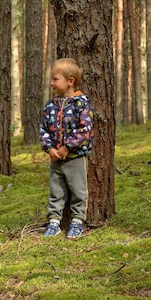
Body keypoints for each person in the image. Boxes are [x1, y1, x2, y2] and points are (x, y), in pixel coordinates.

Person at [39, 58, 94, 238]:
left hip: (76, 158)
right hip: (56, 160)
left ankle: (77, 222)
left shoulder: (81, 104)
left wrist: (67, 147)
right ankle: (54, 222)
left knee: (78, 190)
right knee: (56, 191)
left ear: (70, 81)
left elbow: (85, 130)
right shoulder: (50, 106)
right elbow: (44, 129)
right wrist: (50, 149)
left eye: (55, 79)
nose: (51, 83)